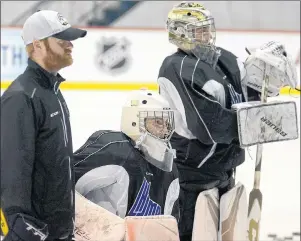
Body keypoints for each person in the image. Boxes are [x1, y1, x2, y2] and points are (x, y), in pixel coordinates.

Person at [157, 2, 298, 241]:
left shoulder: (224, 58)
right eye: (199, 30)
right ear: (180, 33)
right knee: (193, 234)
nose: (207, 35)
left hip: (225, 168)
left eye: (207, 29)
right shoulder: (176, 67)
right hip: (192, 175)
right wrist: (253, 121)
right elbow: (209, 127)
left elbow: (246, 97)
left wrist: (265, 83)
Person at [1, 10, 87, 241]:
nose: (70, 44)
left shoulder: (51, 92)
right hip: (37, 235)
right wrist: (22, 232)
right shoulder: (22, 98)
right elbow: (11, 177)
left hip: (59, 232)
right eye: (62, 39)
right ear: (37, 45)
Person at [73, 90, 180, 220]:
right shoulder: (113, 149)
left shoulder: (169, 168)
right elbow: (63, 182)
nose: (164, 130)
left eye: (166, 124)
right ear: (134, 120)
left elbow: (169, 225)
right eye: (157, 122)